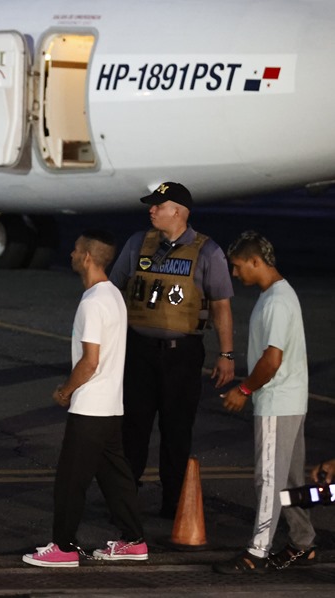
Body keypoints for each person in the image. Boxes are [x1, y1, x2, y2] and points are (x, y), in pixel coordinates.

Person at [109, 182, 235, 518]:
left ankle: (174, 505)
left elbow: (221, 305)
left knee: (177, 430)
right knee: (132, 428)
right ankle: (123, 502)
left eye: (158, 206)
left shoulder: (208, 252)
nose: (151, 210)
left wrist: (226, 354)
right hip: (139, 351)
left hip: (182, 354)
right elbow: (113, 288)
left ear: (177, 211)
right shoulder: (139, 243)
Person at [23, 230, 148, 567]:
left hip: (90, 407)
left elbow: (89, 361)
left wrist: (65, 391)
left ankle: (63, 547)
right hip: (111, 405)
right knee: (115, 477)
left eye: (76, 250)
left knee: (70, 480)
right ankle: (133, 540)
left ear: (89, 257)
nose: (72, 255)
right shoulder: (114, 297)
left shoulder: (92, 302)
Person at [213, 231, 316, 574]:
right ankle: (303, 542)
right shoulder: (280, 294)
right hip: (292, 400)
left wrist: (243, 391)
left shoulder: (275, 302)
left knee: (269, 480)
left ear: (256, 261)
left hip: (276, 401)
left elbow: (271, 360)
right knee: (290, 481)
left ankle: (257, 552)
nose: (235, 273)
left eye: (238, 266)